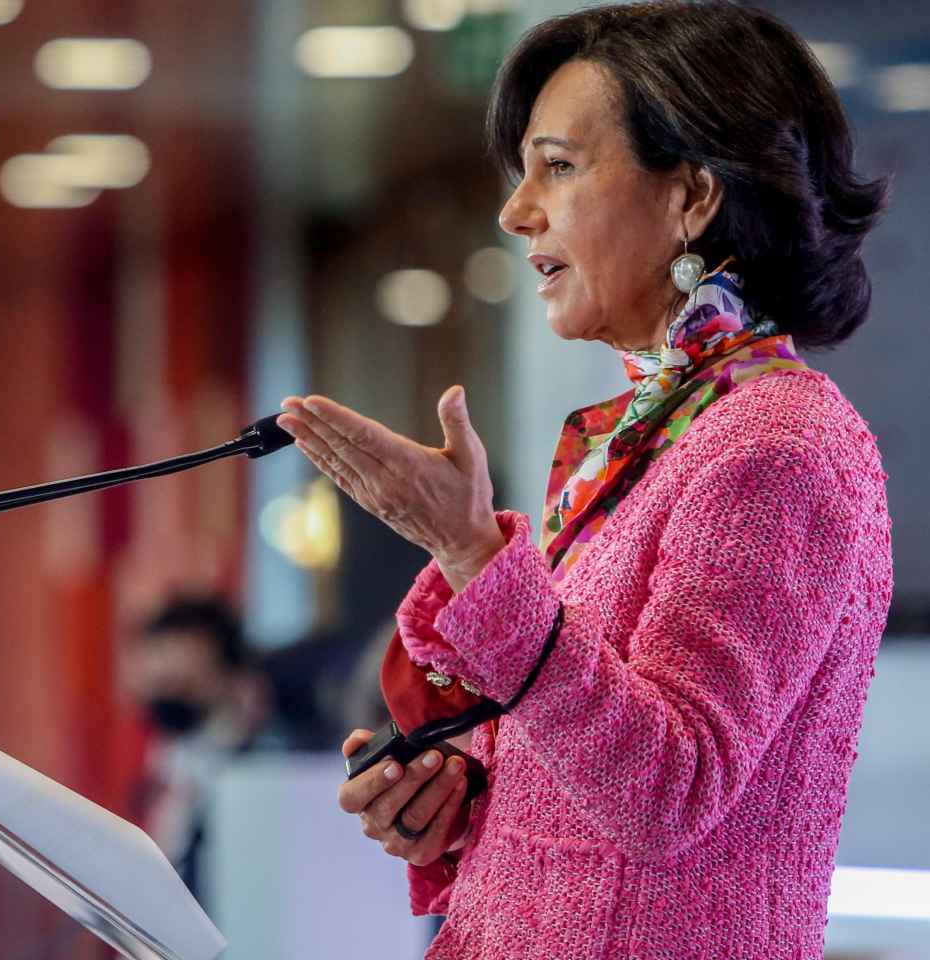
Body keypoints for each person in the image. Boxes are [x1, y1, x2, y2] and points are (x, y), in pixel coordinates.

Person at [275, 2, 892, 956]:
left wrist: (473, 552)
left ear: (692, 197)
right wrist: (458, 790)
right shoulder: (660, 432)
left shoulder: (779, 446)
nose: (517, 211)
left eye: (558, 167)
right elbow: (586, 753)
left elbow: (671, 789)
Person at [121, 597, 276, 903]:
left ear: (236, 681)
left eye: (185, 685)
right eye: (160, 685)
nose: (167, 694)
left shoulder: (272, 760)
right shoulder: (170, 772)